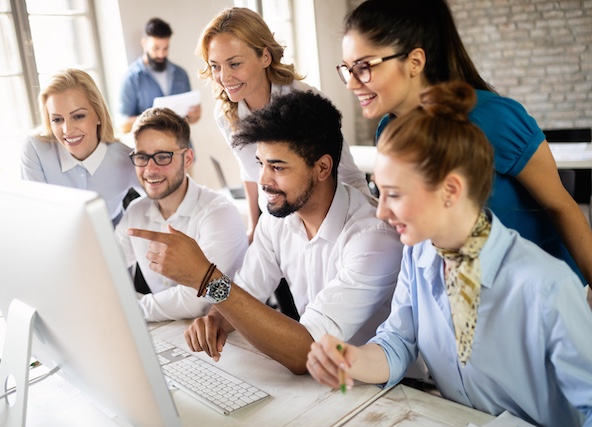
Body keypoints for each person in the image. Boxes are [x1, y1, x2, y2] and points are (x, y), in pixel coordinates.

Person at [306, 82, 592, 427]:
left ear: (451, 190)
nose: (380, 212)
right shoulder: (417, 254)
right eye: (378, 192)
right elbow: (398, 340)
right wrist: (350, 360)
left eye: (393, 195)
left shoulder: (548, 287)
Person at [127, 90, 403, 374]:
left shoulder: (372, 238)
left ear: (322, 167)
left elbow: (305, 353)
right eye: (261, 164)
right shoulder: (278, 219)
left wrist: (206, 278)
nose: (263, 180)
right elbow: (247, 292)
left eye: (277, 167)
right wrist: (216, 320)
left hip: (390, 391)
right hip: (328, 383)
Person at [338, 0, 592, 286]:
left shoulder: (493, 118)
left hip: (534, 297)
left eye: (363, 67)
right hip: (460, 299)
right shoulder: (389, 131)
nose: (350, 83)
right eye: (347, 68)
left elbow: (562, 207)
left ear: (415, 62)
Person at [197, 7, 370, 241]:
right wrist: (254, 225)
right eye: (215, 66)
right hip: (277, 222)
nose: (224, 77)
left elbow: (347, 174)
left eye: (234, 64)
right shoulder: (227, 112)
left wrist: (365, 228)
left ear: (265, 57)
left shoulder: (305, 103)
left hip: (327, 223)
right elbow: (248, 171)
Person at [115, 107, 247, 322]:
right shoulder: (136, 211)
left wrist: (130, 310)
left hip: (226, 335)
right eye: (142, 157)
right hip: (169, 330)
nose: (150, 169)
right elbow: (106, 272)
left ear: (187, 159)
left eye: (162, 157)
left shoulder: (219, 214)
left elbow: (198, 300)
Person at [21, 68, 140, 226]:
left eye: (78, 116)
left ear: (98, 115)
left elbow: (164, 202)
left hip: (112, 242)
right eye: (57, 119)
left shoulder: (127, 158)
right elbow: (36, 215)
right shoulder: (35, 149)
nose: (67, 130)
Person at [119, 17, 201, 134]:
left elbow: (192, 119)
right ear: (144, 43)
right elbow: (123, 125)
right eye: (156, 48)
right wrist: (154, 119)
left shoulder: (180, 74)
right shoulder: (131, 78)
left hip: (183, 146)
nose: (161, 54)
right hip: (153, 150)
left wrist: (195, 114)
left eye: (165, 48)